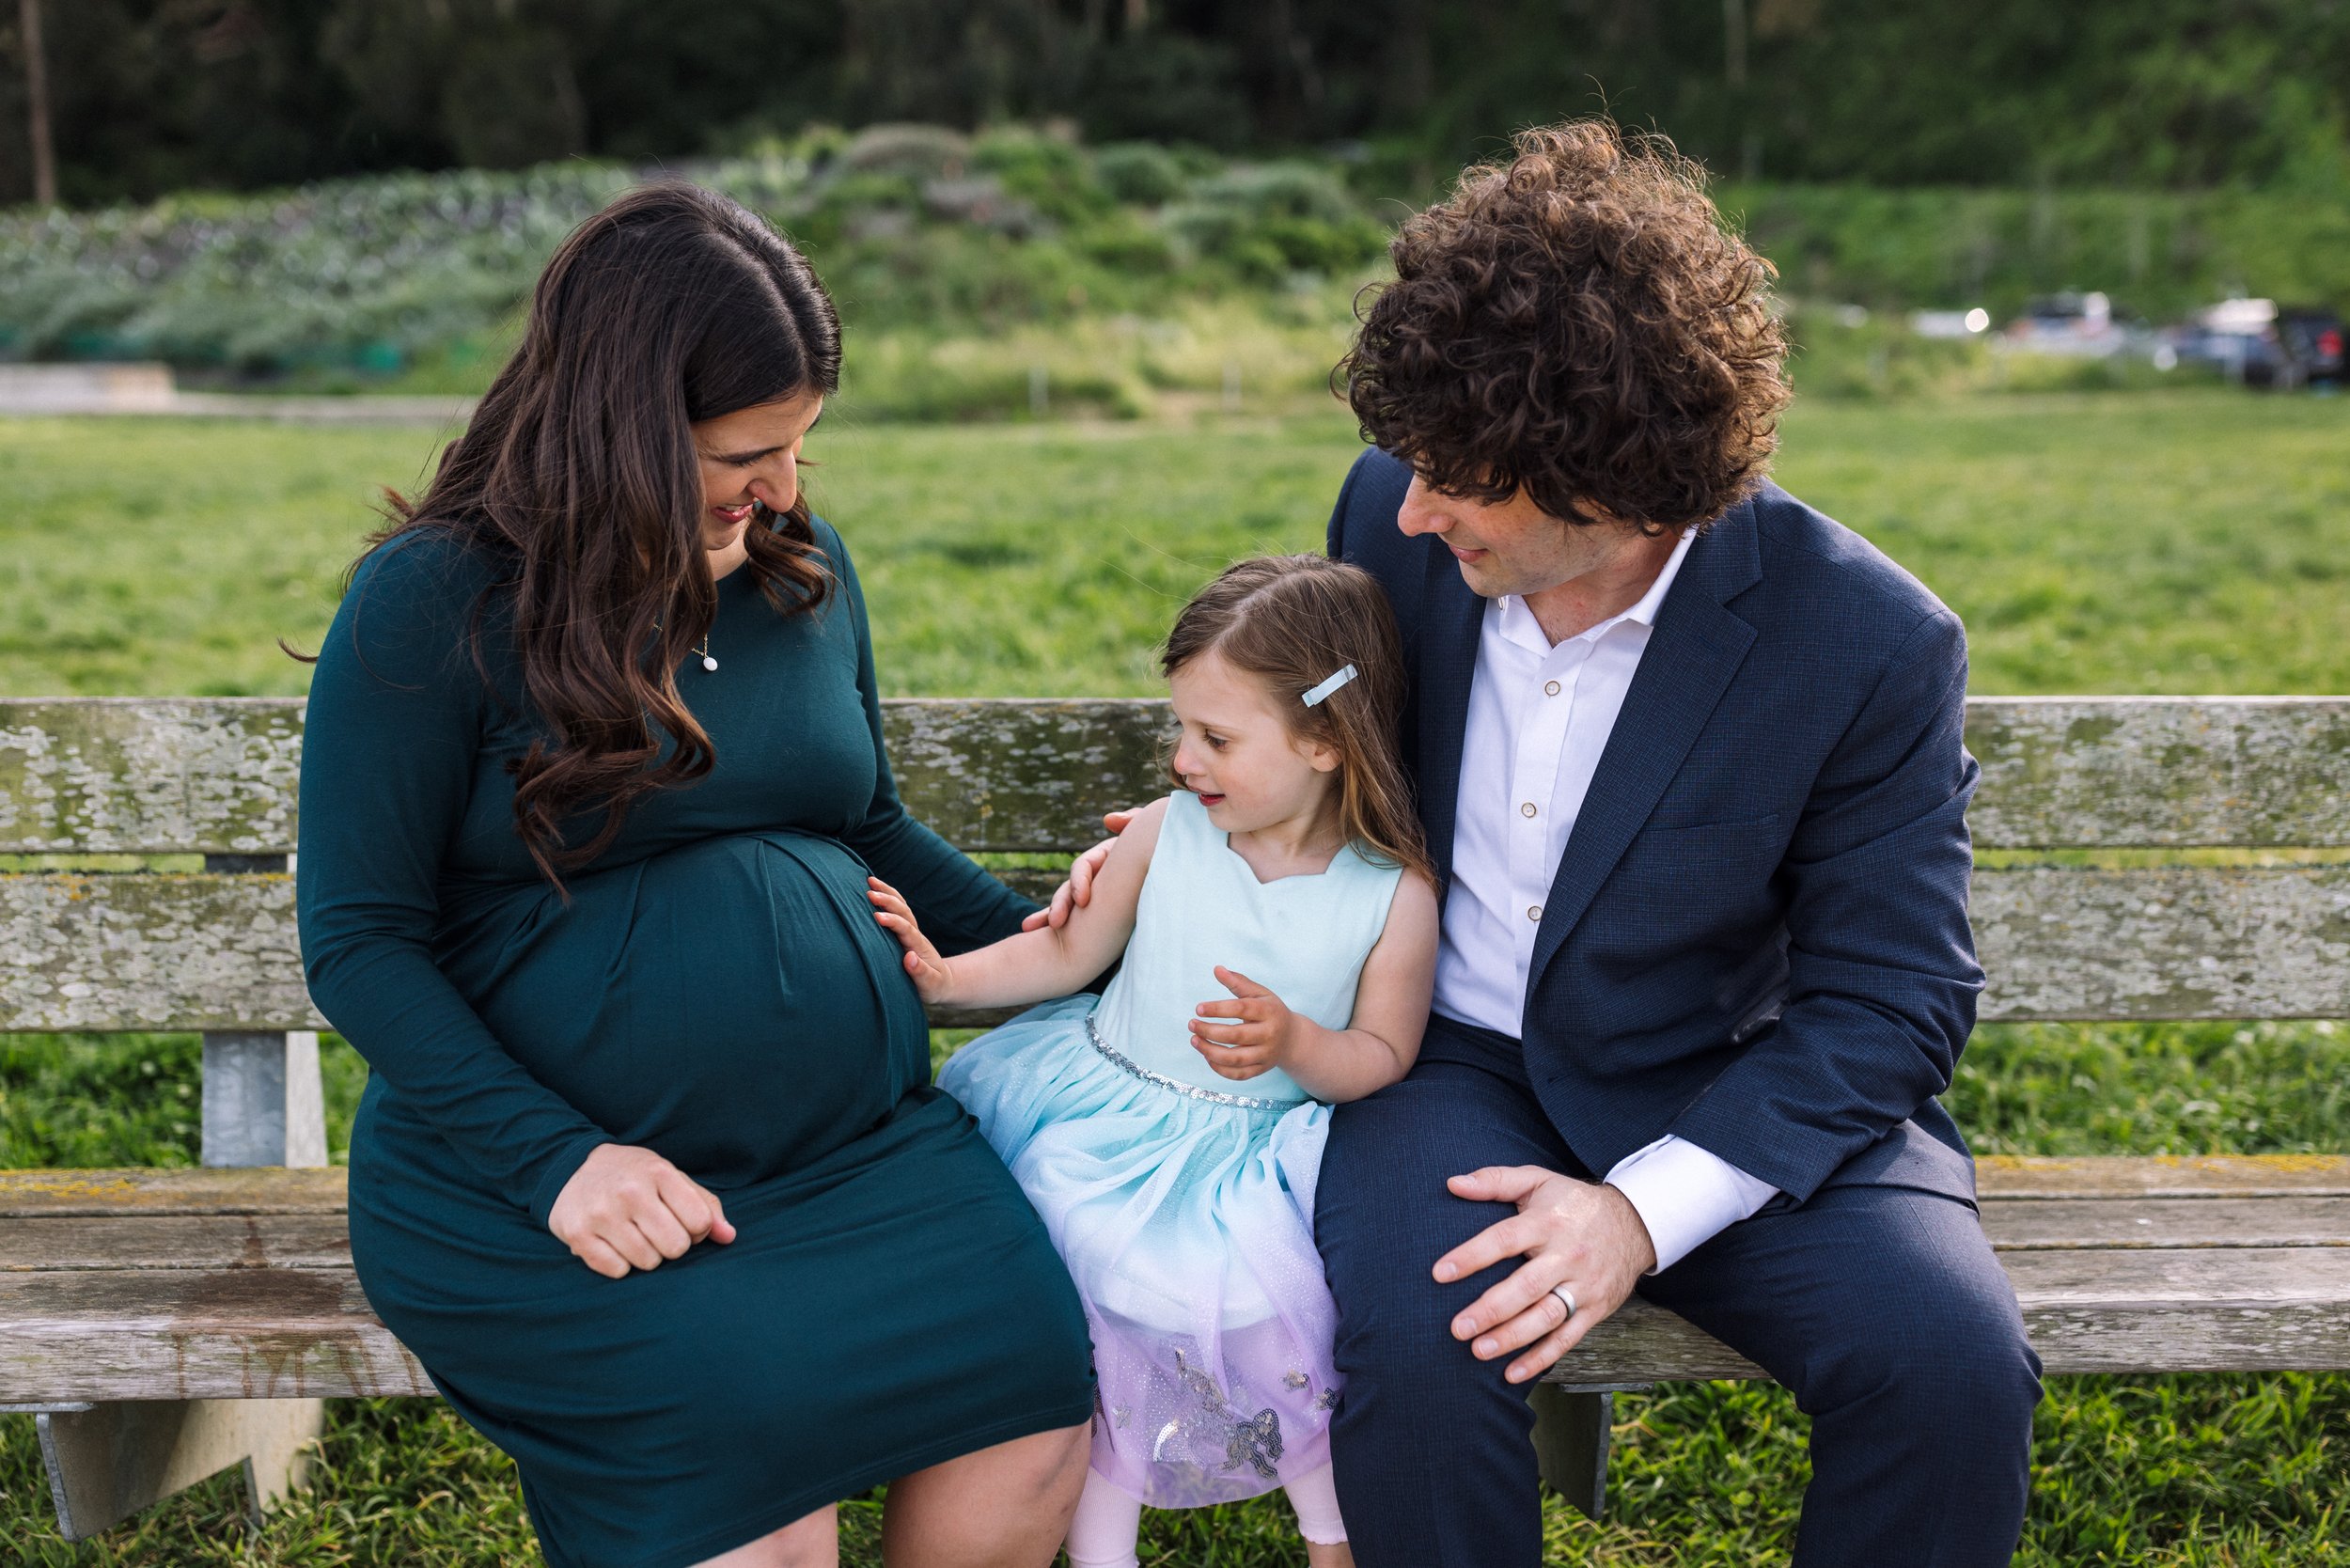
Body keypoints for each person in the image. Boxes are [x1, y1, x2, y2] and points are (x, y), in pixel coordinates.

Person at [1049, 122, 2043, 1566]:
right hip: (1435, 1058)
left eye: (1459, 475)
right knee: (1419, 1341)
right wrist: (1176, 828)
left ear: (1615, 477)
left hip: (1729, 1087)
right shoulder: (1393, 531)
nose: (1410, 506)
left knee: (1947, 1366)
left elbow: (1894, 1001)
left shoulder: (1867, 642)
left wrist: (1639, 1213)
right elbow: (1313, 744)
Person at [295, 183, 1096, 1568]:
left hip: (855, 1158)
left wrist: (1079, 933)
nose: (784, 488)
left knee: (1030, 1399)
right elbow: (361, 939)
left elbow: (869, 824)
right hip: (563, 1181)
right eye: (748, 451)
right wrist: (562, 1165)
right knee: (753, 1503)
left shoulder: (799, 571)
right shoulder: (434, 601)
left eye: (800, 447)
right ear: (622, 429)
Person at [870, 556, 1442, 1568]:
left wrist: (1298, 1045)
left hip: (1255, 1154)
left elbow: (1383, 1054)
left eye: (1215, 737)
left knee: (1279, 1306)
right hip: (1102, 1117)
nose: (1184, 759)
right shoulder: (1168, 833)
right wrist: (944, 983)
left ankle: (1331, 1529)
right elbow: (1066, 951)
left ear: (1323, 740)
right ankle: (1102, 1546)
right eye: (1181, 729)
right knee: (1086, 1285)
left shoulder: (1388, 894)